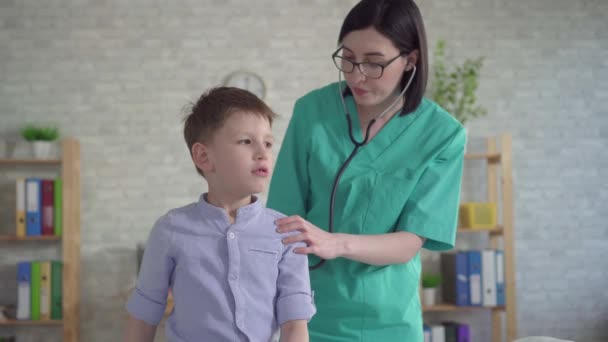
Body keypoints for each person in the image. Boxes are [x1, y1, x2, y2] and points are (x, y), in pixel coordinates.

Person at [267, 0, 466, 341]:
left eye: (374, 64)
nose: (356, 75)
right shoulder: (311, 112)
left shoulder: (442, 135)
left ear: (410, 60)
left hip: (389, 322)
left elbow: (408, 242)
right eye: (347, 58)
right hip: (306, 316)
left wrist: (336, 243)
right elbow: (283, 219)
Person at [124, 87, 315, 342]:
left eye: (268, 143)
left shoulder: (287, 233)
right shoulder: (170, 230)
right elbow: (143, 318)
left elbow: (295, 326)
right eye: (246, 141)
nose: (262, 152)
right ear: (203, 156)